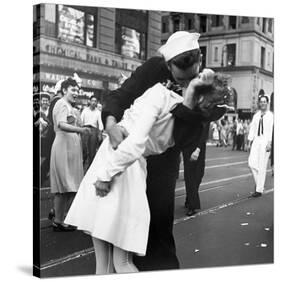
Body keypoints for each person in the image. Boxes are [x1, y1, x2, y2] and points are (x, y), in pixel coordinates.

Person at [65, 69, 229, 274]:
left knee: (115, 262)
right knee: (113, 261)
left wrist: (105, 174)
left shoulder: (164, 97)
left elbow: (135, 143)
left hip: (119, 167)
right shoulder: (182, 113)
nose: (196, 75)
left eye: (199, 79)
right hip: (123, 166)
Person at [50, 78, 91, 231]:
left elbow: (75, 123)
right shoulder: (61, 103)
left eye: (77, 91)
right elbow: (61, 124)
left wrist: (77, 117)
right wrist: (80, 130)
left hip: (71, 147)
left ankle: (59, 216)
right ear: (64, 90)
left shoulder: (70, 106)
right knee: (64, 186)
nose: (76, 93)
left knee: (70, 186)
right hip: (63, 146)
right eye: (73, 90)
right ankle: (59, 220)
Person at [248, 95, 273, 197]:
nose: (263, 103)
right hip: (256, 141)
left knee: (262, 166)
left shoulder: (270, 116)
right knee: (251, 163)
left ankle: (259, 190)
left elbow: (271, 130)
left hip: (265, 142)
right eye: (261, 101)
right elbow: (252, 128)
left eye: (264, 101)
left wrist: (269, 143)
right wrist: (249, 141)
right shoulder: (256, 115)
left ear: (267, 103)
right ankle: (260, 185)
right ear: (259, 103)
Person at [183, 121, 209, 216]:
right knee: (190, 175)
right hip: (188, 146)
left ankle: (189, 198)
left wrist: (198, 149)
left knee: (199, 174)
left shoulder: (205, 111)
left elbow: (204, 132)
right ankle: (192, 205)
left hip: (200, 147)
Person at [81, 95, 103, 171]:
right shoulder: (85, 110)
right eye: (92, 101)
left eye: (95, 101)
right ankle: (81, 167)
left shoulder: (98, 112)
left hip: (93, 130)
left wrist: (99, 134)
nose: (93, 102)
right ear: (89, 101)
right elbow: (81, 121)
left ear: (97, 103)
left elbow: (100, 124)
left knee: (92, 151)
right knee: (83, 149)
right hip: (85, 129)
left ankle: (89, 170)